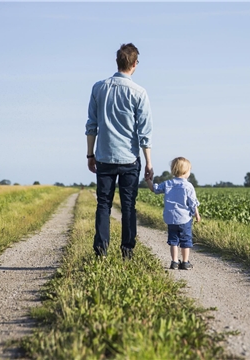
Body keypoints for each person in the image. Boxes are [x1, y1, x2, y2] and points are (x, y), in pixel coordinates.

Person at [85, 43, 153, 260]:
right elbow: (145, 133)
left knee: (103, 204)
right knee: (128, 206)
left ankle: (101, 252)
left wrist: (90, 154)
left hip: (104, 156)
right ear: (134, 64)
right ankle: (127, 251)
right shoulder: (139, 92)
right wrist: (149, 162)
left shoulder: (98, 88)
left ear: (118, 62)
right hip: (130, 159)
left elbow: (91, 125)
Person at [146, 157, 201, 270]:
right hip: (184, 218)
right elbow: (192, 202)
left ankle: (174, 262)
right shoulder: (188, 186)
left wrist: (148, 180)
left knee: (173, 241)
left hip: (171, 218)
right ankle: (185, 262)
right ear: (185, 171)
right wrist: (197, 213)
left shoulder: (167, 183)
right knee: (185, 240)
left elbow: (154, 189)